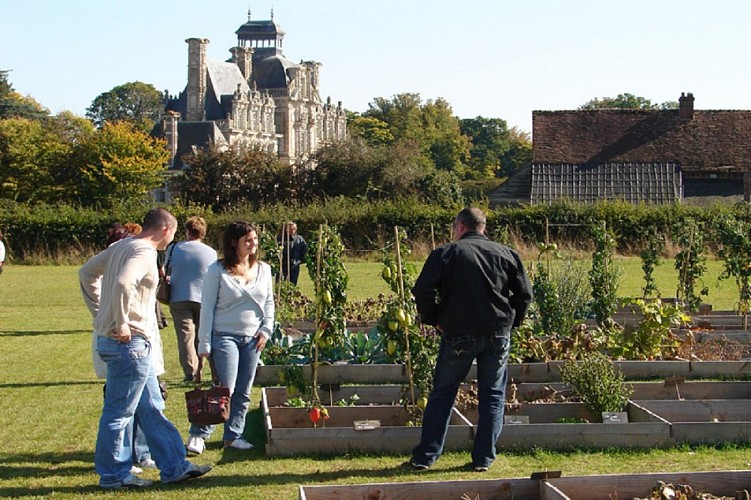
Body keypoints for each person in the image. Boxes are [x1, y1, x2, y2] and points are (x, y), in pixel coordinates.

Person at [79, 208, 211, 489]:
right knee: (119, 412)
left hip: (130, 344)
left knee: (152, 406)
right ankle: (114, 475)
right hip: (129, 344)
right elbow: (124, 282)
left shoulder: (122, 246)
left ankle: (175, 466)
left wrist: (101, 313)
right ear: (166, 230)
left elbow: (87, 272)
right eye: (172, 235)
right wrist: (120, 321)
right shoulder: (145, 251)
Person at [409, 207, 533, 472]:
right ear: (483, 227)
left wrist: (435, 319)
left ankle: (426, 456)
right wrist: (513, 322)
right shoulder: (507, 254)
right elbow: (524, 295)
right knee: (493, 395)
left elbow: (422, 290)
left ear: (460, 226)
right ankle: (484, 458)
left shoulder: (446, 253)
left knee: (443, 393)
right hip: (497, 331)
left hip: (458, 332)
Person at [186, 221, 274, 455]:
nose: (253, 244)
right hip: (224, 336)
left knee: (244, 390)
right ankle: (199, 434)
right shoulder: (217, 270)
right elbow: (207, 308)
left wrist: (266, 329)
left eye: (255, 239)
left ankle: (234, 435)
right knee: (225, 389)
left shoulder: (264, 269)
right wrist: (204, 343)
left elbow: (269, 303)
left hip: (253, 338)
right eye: (248, 240)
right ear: (234, 243)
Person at [166, 216, 218, 382]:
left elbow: (166, 269)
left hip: (178, 296)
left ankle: (191, 372)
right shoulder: (211, 252)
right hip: (204, 297)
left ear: (187, 231)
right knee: (203, 335)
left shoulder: (174, 248)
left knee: (185, 337)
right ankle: (211, 370)